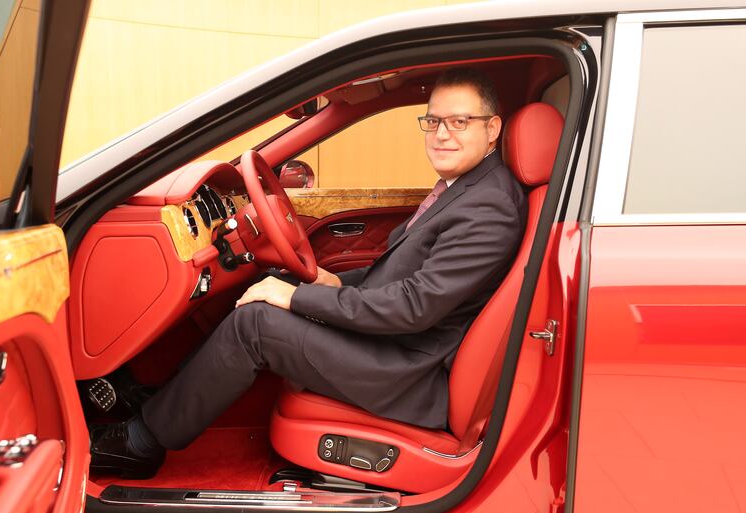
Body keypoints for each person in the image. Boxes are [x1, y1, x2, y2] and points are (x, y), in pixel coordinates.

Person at [90, 67, 527, 479]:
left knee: (255, 324)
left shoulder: (490, 207)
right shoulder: (470, 190)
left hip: (407, 370)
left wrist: (296, 298)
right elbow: (401, 275)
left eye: (460, 121)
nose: (442, 134)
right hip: (395, 346)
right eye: (433, 122)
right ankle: (159, 401)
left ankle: (140, 445)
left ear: (492, 129)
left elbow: (413, 307)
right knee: (275, 287)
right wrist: (330, 282)